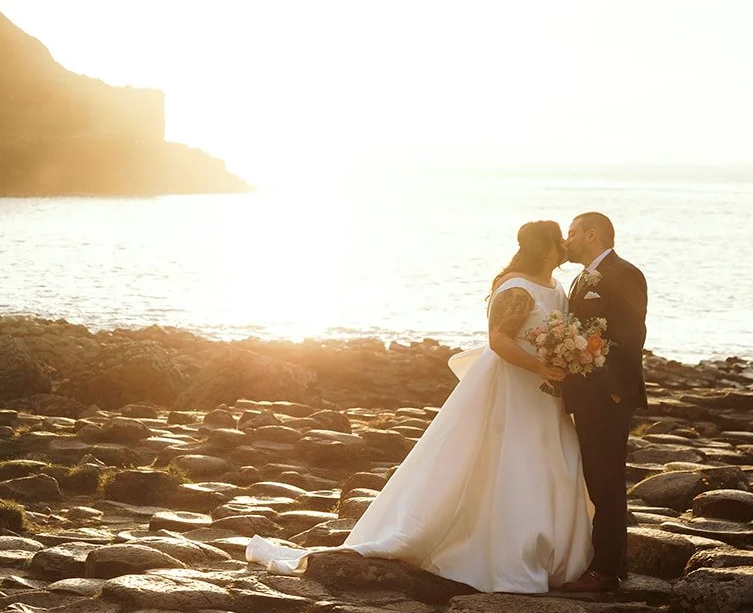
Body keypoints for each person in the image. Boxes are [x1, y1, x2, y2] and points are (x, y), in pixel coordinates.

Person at [247, 220, 593, 593]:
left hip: (543, 393)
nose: (564, 245)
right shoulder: (515, 288)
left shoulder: (556, 287)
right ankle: (504, 551)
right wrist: (542, 366)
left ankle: (552, 553)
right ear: (545, 248)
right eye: (559, 240)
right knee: (511, 461)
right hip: (512, 388)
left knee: (551, 461)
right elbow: (498, 341)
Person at [557, 211, 648, 593]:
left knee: (607, 479)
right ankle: (612, 562)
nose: (567, 240)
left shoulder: (623, 273)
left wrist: (614, 389)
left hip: (609, 397)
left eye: (573, 233)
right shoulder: (581, 278)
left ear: (593, 235)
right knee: (597, 477)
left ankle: (607, 570)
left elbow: (631, 335)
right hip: (587, 395)